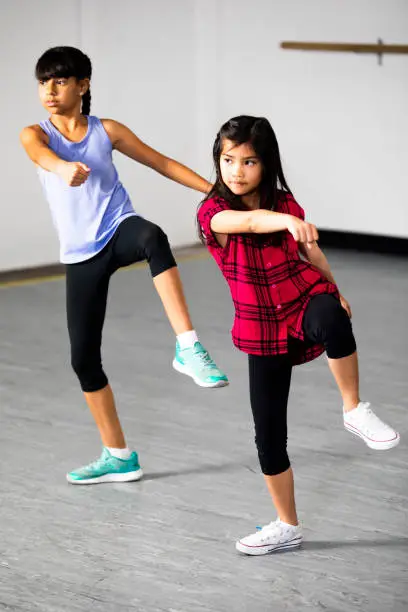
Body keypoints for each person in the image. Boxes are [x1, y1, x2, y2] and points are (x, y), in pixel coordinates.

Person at [20, 46, 228, 485]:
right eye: (44, 82)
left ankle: (188, 347)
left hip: (118, 228)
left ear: (83, 85)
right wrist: (62, 168)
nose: (50, 91)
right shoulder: (34, 134)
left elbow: (161, 162)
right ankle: (118, 455)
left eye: (60, 81)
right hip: (81, 255)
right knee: (83, 360)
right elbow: (41, 155)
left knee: (152, 236)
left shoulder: (106, 130)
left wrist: (216, 192)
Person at [197, 115, 400, 556]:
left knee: (332, 314)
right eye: (228, 159)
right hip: (259, 324)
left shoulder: (285, 202)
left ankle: (354, 408)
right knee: (268, 436)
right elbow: (247, 224)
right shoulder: (212, 211)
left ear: (266, 164)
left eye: (249, 161)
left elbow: (311, 251)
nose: (236, 171)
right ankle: (286, 524)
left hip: (300, 298)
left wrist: (336, 288)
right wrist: (284, 223)